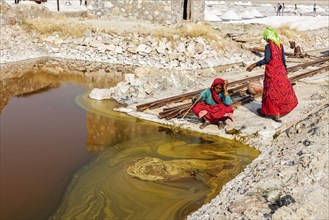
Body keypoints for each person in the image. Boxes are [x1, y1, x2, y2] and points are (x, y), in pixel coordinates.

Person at [246, 27, 298, 122]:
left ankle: (274, 113)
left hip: (272, 73)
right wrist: (285, 70)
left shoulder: (268, 46)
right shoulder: (280, 45)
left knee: (271, 92)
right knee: (282, 90)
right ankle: (283, 110)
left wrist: (254, 64)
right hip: (281, 72)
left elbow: (267, 59)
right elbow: (283, 60)